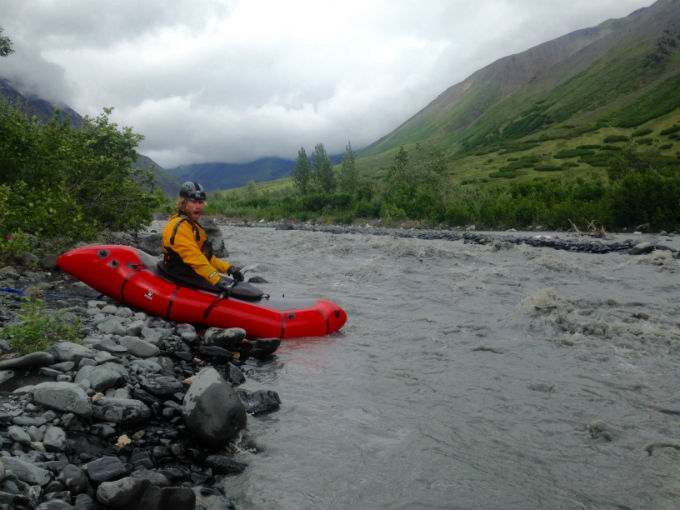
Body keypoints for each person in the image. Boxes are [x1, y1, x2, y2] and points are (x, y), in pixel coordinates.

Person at [162, 181, 242, 295]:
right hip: (177, 277)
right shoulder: (179, 227)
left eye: (200, 202)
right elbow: (195, 258)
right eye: (193, 201)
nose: (198, 206)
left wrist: (228, 268)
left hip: (190, 275)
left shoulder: (194, 227)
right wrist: (216, 279)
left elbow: (207, 258)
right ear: (183, 203)